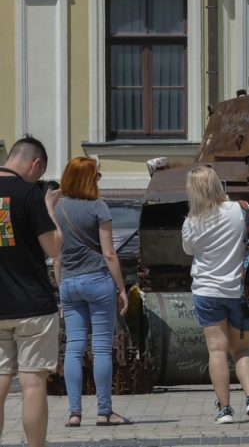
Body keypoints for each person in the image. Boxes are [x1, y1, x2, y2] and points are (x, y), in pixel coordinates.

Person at [181, 166, 249, 424]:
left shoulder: (192, 222)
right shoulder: (242, 209)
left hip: (207, 291)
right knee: (242, 350)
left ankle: (225, 410)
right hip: (239, 291)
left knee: (216, 350)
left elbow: (188, 250)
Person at [53, 157, 132, 428]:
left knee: (73, 349)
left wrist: (60, 288)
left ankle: (74, 414)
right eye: (96, 176)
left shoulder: (58, 207)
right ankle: (104, 412)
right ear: (90, 179)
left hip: (69, 284)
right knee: (101, 348)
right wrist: (122, 289)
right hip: (98, 282)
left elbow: (57, 256)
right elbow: (109, 253)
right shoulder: (98, 206)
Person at [0, 136, 61, 447]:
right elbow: (54, 248)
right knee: (33, 384)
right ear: (35, 164)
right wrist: (49, 207)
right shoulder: (29, 194)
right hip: (33, 306)